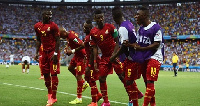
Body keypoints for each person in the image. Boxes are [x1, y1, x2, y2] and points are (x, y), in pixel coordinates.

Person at [125, 6, 164, 106]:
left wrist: (141, 49)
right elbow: (138, 44)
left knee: (150, 81)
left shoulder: (156, 27)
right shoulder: (141, 29)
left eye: (138, 14)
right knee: (147, 84)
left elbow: (156, 44)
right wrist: (129, 44)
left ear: (145, 15)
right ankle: (153, 104)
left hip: (155, 56)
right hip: (144, 58)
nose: (135, 16)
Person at [90, 9, 126, 106]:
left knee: (122, 76)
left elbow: (117, 42)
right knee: (101, 78)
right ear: (95, 19)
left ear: (104, 17)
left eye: (102, 17)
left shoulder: (110, 27)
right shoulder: (93, 32)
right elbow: (94, 48)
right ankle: (106, 102)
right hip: (104, 57)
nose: (100, 19)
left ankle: (131, 98)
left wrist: (114, 55)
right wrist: (95, 60)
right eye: (98, 18)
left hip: (114, 55)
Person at [111, 6, 143, 106]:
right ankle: (137, 94)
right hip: (130, 57)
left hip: (132, 58)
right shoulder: (129, 23)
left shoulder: (122, 28)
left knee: (128, 81)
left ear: (114, 18)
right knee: (125, 77)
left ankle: (134, 103)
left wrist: (114, 56)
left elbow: (124, 46)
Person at [34, 10, 60, 106]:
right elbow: (38, 40)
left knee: (54, 74)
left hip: (53, 52)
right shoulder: (37, 26)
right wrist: (36, 53)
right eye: (48, 14)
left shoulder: (53, 26)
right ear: (43, 15)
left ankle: (54, 97)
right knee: (45, 74)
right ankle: (49, 93)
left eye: (51, 15)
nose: (50, 16)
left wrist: (56, 54)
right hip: (44, 52)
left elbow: (58, 40)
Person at [59, 27, 89, 105]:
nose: (60, 37)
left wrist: (71, 51)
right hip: (77, 55)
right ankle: (83, 83)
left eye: (60, 35)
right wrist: (67, 47)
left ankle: (79, 98)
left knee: (79, 76)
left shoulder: (71, 36)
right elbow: (72, 42)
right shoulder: (68, 35)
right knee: (70, 68)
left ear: (64, 33)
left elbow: (82, 45)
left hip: (82, 56)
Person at [83, 19, 102, 106]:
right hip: (88, 60)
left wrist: (90, 64)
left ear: (90, 28)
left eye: (86, 28)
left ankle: (94, 102)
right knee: (87, 78)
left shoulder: (90, 37)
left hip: (92, 61)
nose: (84, 29)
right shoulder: (87, 37)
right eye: (84, 27)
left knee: (92, 79)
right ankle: (98, 94)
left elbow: (93, 51)